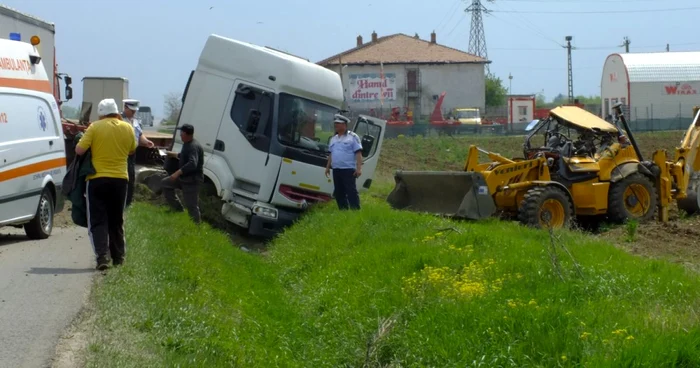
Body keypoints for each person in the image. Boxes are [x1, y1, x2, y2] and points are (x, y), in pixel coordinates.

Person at [75, 98, 137, 270]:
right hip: (120, 180)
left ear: (101, 114)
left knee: (97, 219)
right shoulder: (128, 128)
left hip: (97, 179)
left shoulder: (95, 127)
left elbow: (79, 150)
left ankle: (102, 257)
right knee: (116, 220)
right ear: (117, 112)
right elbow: (132, 149)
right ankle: (119, 258)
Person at [161, 124, 204, 224]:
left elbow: (193, 163)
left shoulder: (193, 146)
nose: (180, 135)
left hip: (192, 180)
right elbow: (183, 155)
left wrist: (177, 173)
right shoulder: (187, 143)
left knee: (192, 205)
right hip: (183, 178)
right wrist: (171, 154)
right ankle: (177, 209)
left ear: (185, 133)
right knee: (165, 183)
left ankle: (196, 227)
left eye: (181, 132)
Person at [325, 114, 363, 210]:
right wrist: (327, 167)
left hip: (348, 169)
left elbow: (358, 153)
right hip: (336, 169)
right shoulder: (333, 139)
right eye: (335, 123)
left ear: (344, 125)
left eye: (338, 123)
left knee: (351, 191)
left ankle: (355, 210)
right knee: (339, 192)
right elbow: (331, 154)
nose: (336, 125)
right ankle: (343, 210)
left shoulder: (353, 137)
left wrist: (359, 169)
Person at [121, 99, 154, 208]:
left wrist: (146, 141)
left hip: (132, 154)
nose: (134, 112)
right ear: (125, 107)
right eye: (132, 110)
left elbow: (139, 135)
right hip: (121, 153)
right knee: (121, 178)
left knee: (131, 177)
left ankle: (128, 202)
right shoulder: (119, 119)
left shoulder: (135, 121)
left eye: (135, 110)